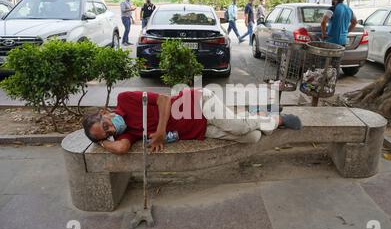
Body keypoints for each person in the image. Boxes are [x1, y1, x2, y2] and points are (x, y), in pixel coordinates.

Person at [82, 88, 302, 155]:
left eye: (106, 124)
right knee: (253, 137)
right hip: (201, 130)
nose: (112, 129)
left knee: (241, 126)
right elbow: (121, 148)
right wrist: (102, 142)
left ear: (104, 112)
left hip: (196, 103)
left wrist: (159, 133)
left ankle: (276, 117)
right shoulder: (124, 134)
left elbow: (165, 100)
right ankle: (258, 113)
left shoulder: (124, 99)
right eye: (108, 132)